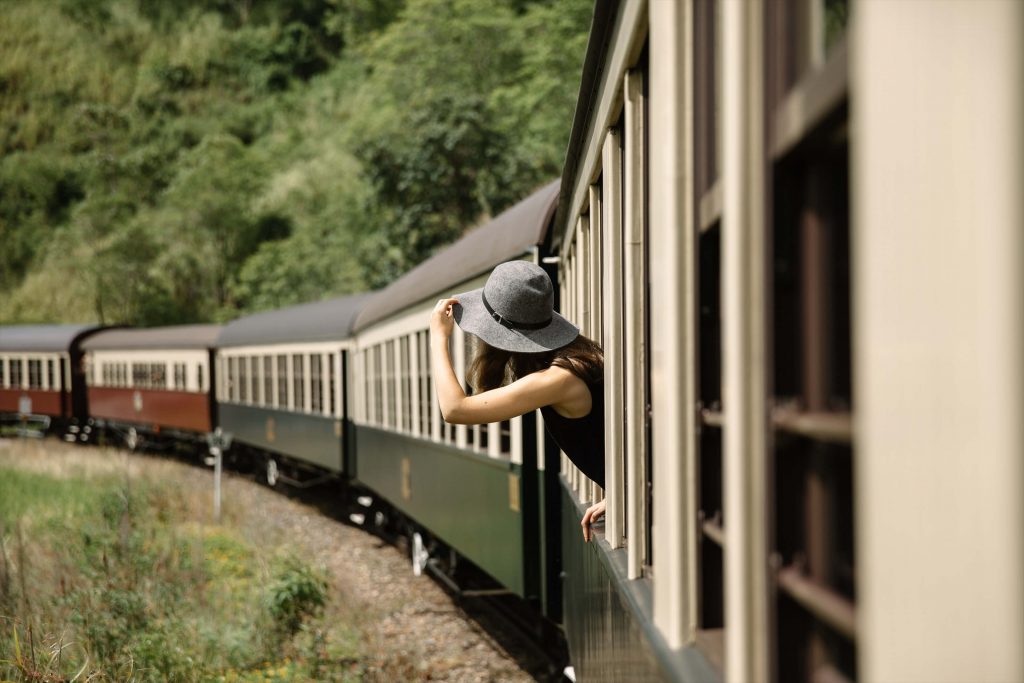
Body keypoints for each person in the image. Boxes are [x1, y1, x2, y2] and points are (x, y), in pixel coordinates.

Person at [429, 260, 606, 541]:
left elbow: (454, 409)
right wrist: (618, 494)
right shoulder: (575, 360)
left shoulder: (559, 379)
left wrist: (438, 339)